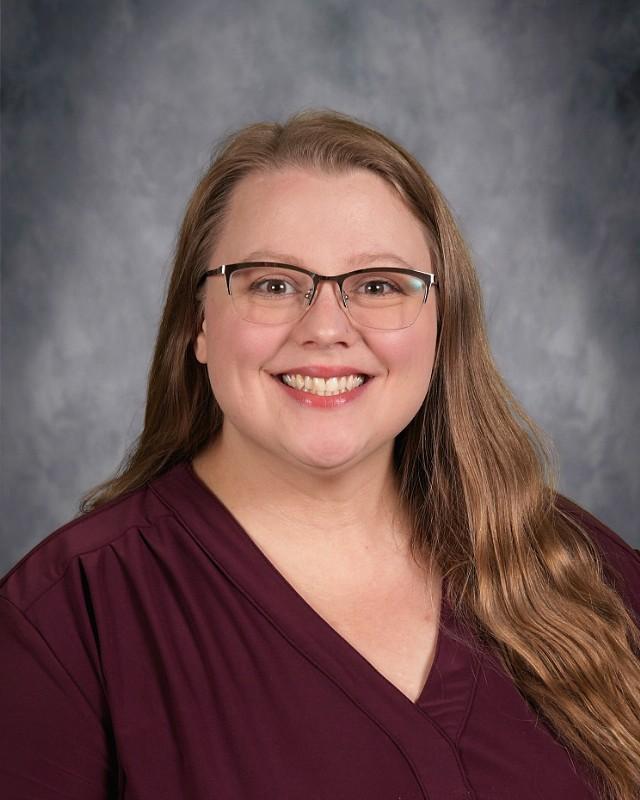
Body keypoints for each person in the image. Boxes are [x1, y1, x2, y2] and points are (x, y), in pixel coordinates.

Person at [1, 109, 639, 800]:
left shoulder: (584, 569)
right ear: (199, 323)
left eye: (378, 285)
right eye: (273, 284)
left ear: (440, 326)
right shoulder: (69, 618)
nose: (327, 329)